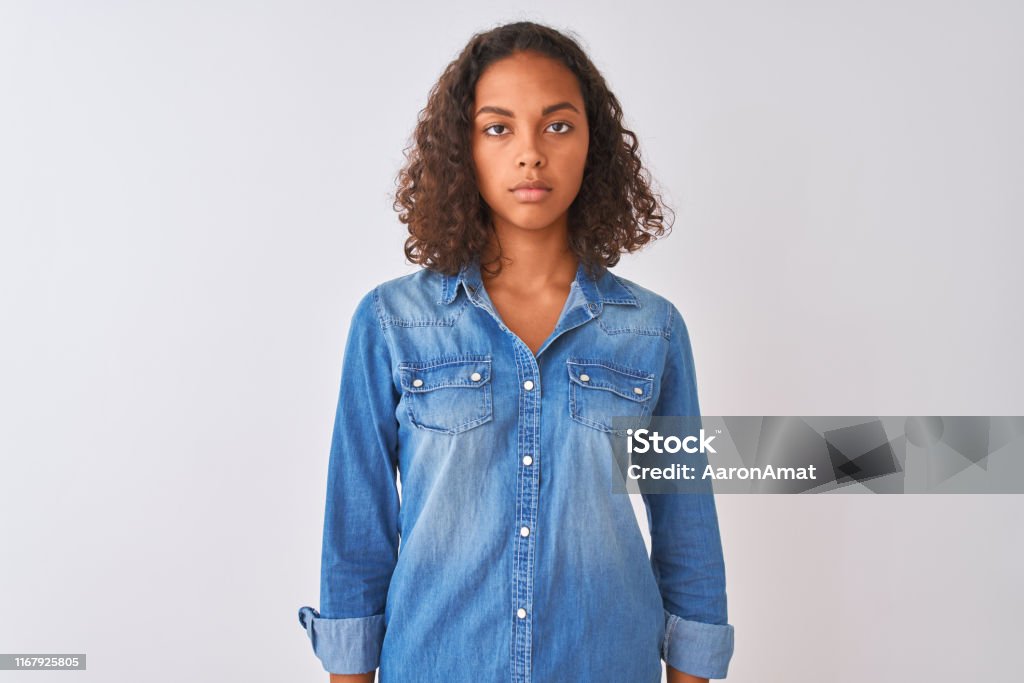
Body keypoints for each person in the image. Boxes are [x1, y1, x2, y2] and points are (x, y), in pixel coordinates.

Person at [297, 20, 735, 683]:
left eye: (557, 125)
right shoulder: (392, 322)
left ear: (594, 145)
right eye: (498, 127)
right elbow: (357, 532)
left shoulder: (652, 331)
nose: (530, 152)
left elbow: (687, 529)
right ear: (462, 148)